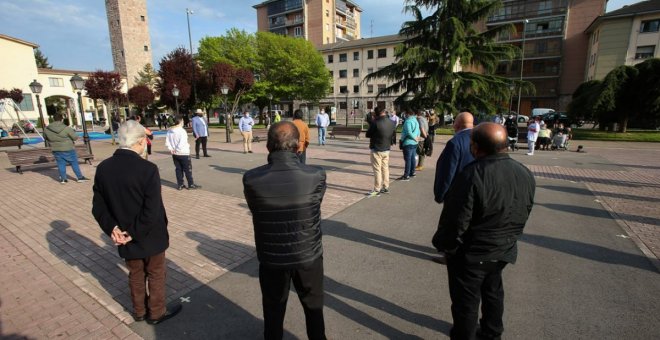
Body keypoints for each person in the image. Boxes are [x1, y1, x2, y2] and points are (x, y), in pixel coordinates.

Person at [432, 122, 535, 340]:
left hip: (474, 251)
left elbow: (456, 220)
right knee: (493, 292)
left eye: (472, 144)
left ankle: (468, 335)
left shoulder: (472, 174)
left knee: (466, 303)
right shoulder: (524, 172)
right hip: (503, 247)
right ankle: (491, 333)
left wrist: (446, 245)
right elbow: (525, 209)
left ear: (477, 147)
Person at [243, 122, 327, 340]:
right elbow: (315, 204)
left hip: (272, 258)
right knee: (314, 308)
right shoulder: (316, 175)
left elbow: (256, 210)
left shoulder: (252, 178)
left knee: (273, 310)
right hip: (308, 254)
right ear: (298, 147)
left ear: (269, 146)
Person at [92, 120, 182, 325]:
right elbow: (151, 210)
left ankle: (139, 311)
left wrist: (113, 228)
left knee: (136, 273)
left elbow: (99, 206)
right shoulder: (147, 168)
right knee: (156, 272)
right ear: (141, 141)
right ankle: (156, 312)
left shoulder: (104, 168)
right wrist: (131, 232)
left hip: (123, 233)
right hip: (149, 233)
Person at [434, 112, 475, 203]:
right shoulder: (482, 137)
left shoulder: (454, 143)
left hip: (457, 195)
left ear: (456, 125)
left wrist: (440, 195)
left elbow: (447, 171)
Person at [43, 113, 89, 184]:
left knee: (60, 164)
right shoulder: (66, 128)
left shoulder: (47, 129)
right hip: (68, 148)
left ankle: (63, 179)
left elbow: (45, 138)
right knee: (74, 163)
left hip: (56, 149)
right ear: (62, 119)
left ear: (53, 119)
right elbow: (75, 137)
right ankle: (80, 177)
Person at [365, 106, 396, 196]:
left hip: (377, 148)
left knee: (377, 169)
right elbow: (393, 134)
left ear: (377, 113)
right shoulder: (392, 122)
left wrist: (371, 123)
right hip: (386, 148)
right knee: (385, 168)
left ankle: (377, 189)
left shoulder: (375, 123)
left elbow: (368, 134)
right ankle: (386, 187)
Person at [165, 114, 200, 190]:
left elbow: (167, 142)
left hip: (175, 154)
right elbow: (182, 142)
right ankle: (191, 184)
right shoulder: (182, 131)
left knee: (178, 169)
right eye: (183, 120)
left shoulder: (170, 131)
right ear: (180, 121)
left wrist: (171, 149)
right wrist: (177, 149)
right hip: (183, 153)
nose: (183, 122)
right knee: (187, 169)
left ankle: (180, 184)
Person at [398, 109, 420, 181]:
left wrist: (414, 138)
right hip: (414, 143)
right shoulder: (416, 120)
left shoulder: (408, 121)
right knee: (413, 158)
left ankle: (406, 175)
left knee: (408, 159)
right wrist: (417, 138)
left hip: (408, 142)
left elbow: (409, 132)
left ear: (408, 114)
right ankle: (412, 172)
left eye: (405, 114)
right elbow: (418, 131)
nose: (405, 115)